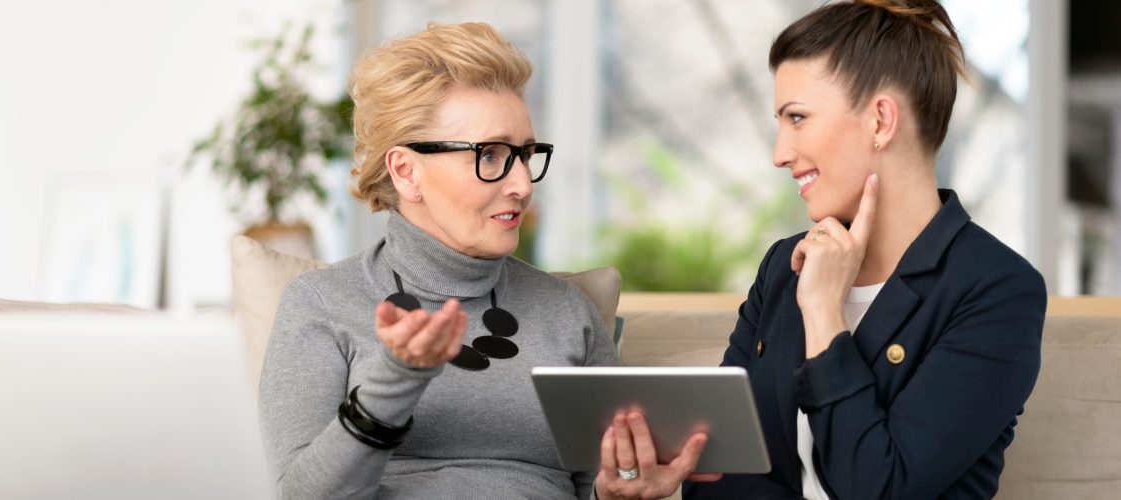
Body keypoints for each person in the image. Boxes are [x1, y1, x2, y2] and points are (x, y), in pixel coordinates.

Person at [601, 1, 1048, 499]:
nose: (779, 154)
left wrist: (823, 312)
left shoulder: (996, 290)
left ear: (880, 120)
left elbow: (878, 488)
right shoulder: (782, 266)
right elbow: (719, 475)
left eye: (798, 118)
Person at [257, 22, 620, 499]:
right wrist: (396, 380)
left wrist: (622, 491)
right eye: (490, 155)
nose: (523, 186)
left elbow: (606, 485)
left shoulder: (568, 312)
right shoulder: (321, 303)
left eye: (526, 155)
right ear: (407, 172)